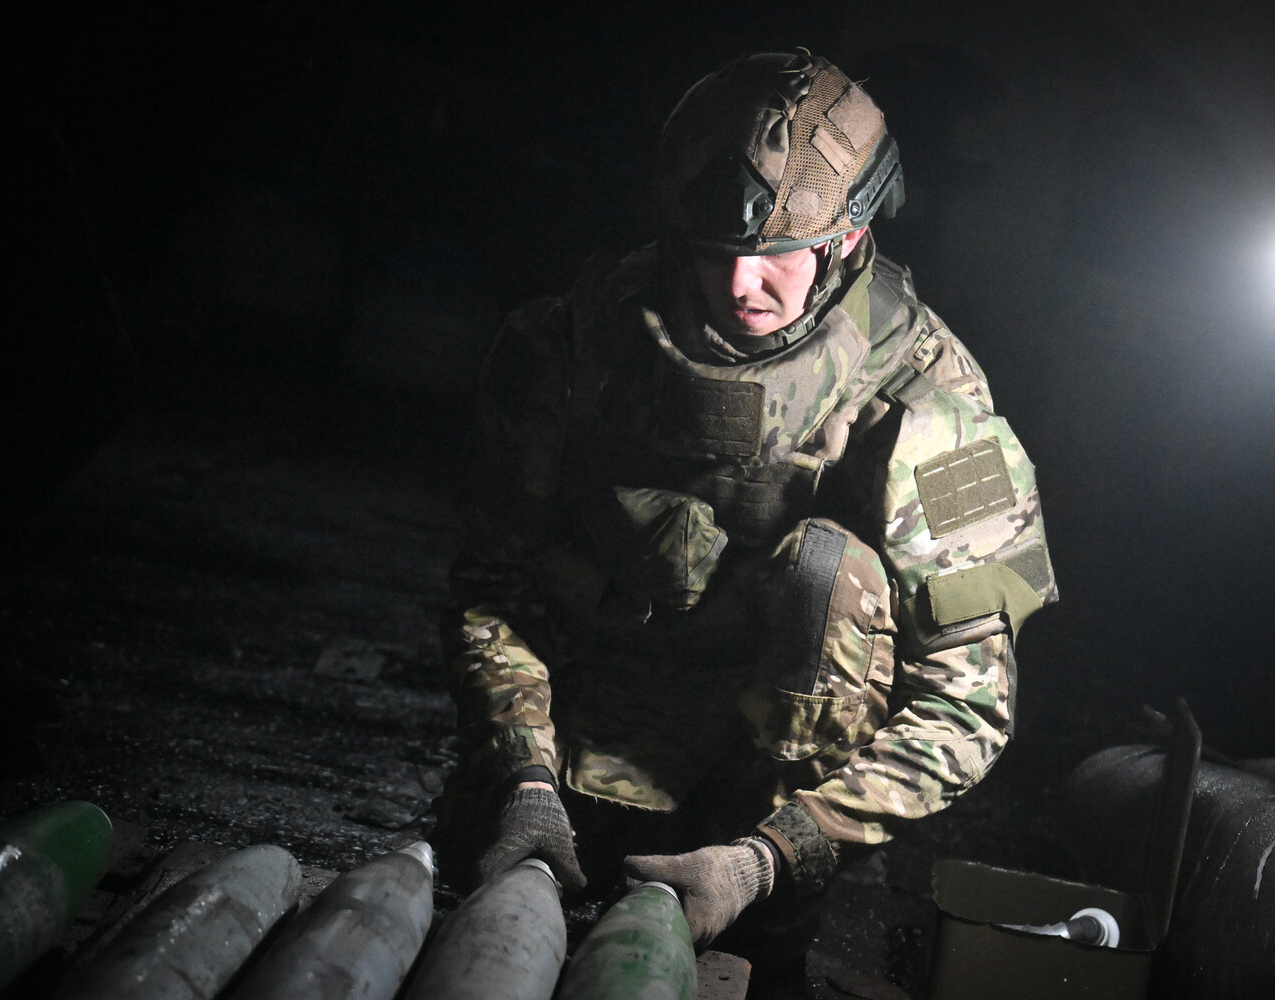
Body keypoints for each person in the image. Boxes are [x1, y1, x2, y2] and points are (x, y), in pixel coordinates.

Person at [436, 50, 1057, 956]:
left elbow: (969, 707)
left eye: (776, 257)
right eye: (716, 251)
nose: (738, 284)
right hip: (582, 731)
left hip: (773, 792)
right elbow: (491, 586)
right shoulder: (576, 340)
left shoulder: (933, 404)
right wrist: (521, 777)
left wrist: (771, 859)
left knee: (828, 571)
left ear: (846, 238)